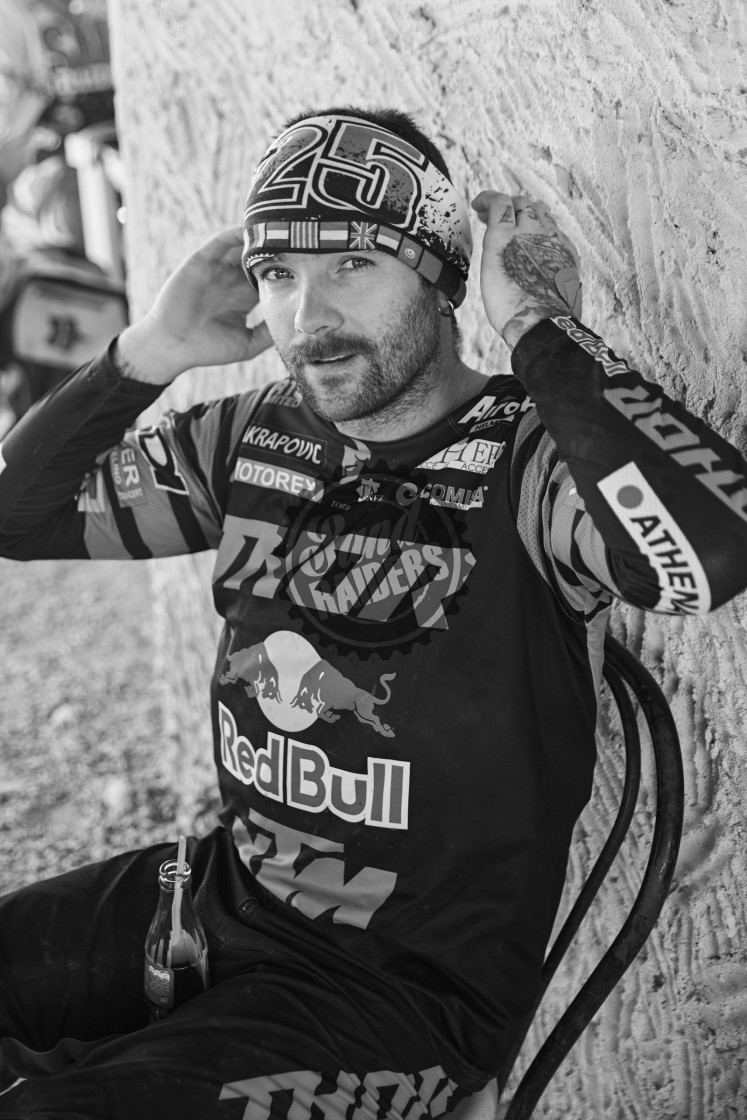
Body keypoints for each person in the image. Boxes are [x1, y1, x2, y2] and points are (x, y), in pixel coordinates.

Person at [0, 105, 746, 1120]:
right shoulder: (254, 437)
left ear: (441, 276)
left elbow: (706, 555)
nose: (308, 317)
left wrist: (543, 333)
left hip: (394, 999)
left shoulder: (527, 463)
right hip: (218, 895)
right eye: (278, 274)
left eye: (352, 263)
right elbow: (20, 515)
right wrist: (150, 349)